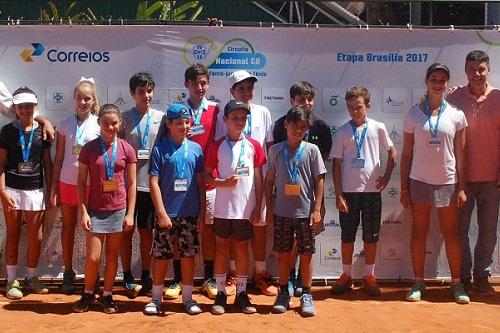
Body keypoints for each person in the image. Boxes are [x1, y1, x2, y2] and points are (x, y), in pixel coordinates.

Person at [400, 63, 470, 304]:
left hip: (448, 181)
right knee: (419, 232)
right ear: (427, 81)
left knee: (451, 233)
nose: (438, 82)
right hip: (418, 180)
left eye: (442, 79)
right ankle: (418, 282)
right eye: (434, 78)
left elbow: (461, 154)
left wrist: (462, 187)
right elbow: (406, 154)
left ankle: (457, 284)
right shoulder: (413, 114)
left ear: (447, 83)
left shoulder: (457, 115)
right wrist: (403, 187)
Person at [215, 70, 277, 297]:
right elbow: (220, 147)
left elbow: (269, 146)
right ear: (232, 91)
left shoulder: (263, 112)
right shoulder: (223, 114)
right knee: (233, 231)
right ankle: (232, 273)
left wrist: (271, 176)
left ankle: (260, 273)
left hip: (258, 181)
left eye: (249, 88)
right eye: (241, 88)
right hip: (232, 186)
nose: (247, 92)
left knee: (258, 227)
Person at [330, 87, 397, 297]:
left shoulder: (378, 127)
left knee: (371, 235)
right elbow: (336, 165)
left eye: (358, 107)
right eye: (350, 107)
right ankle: (346, 275)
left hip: (371, 192)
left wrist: (386, 177)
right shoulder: (341, 131)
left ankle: (369, 276)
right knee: (347, 235)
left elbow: (393, 152)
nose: (354, 111)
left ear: (367, 106)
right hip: (349, 193)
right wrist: (339, 194)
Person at [73, 104, 137, 314]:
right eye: (106, 123)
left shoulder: (127, 149)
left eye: (114, 123)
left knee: (112, 256)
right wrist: (83, 211)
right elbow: (81, 182)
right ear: (99, 123)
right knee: (93, 257)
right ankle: (89, 292)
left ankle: (107, 295)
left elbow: (132, 184)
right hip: (95, 210)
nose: (110, 127)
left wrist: (129, 213)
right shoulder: (89, 149)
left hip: (118, 210)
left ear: (120, 123)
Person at [143, 103, 205, 316]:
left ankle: (188, 298)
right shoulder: (160, 149)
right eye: (178, 122)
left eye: (187, 122)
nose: (184, 126)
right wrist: (161, 213)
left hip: (189, 213)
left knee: (188, 256)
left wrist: (202, 212)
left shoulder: (196, 149)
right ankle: (155, 299)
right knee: (161, 256)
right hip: (166, 215)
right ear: (168, 124)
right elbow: (153, 183)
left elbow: (200, 183)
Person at [447, 50, 500, 295]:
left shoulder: (499, 97)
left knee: (488, 232)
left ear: (488, 70)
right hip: (461, 180)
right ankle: (464, 277)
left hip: (493, 179)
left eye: (481, 69)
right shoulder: (454, 97)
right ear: (466, 71)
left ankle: (482, 275)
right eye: (471, 69)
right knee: (460, 231)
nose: (476, 74)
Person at [164, 64, 219, 301]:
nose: (200, 87)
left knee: (207, 230)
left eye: (204, 83)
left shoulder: (216, 110)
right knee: (177, 231)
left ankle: (208, 277)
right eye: (195, 83)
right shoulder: (178, 110)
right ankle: (176, 279)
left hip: (207, 180)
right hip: (181, 181)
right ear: (186, 85)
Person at [206, 100, 266, 315]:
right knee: (221, 249)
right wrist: (221, 183)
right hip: (222, 209)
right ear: (225, 120)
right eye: (235, 118)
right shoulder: (216, 146)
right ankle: (221, 293)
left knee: (242, 250)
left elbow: (259, 179)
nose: (239, 121)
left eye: (243, 118)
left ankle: (241, 293)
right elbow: (205, 175)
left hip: (245, 209)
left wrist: (258, 207)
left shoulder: (254, 145)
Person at [266, 105, 326, 317]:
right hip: (281, 212)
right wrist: (269, 209)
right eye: (294, 126)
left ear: (307, 128)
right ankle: (283, 292)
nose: (297, 131)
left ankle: (307, 295)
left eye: (302, 127)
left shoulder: (312, 150)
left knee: (306, 254)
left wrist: (317, 209)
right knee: (283, 254)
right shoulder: (275, 151)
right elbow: (269, 180)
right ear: (286, 125)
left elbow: (319, 181)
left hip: (305, 213)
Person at [273, 81, 332, 296]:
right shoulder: (281, 124)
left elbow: (320, 166)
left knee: (305, 239)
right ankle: (288, 276)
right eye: (301, 99)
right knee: (287, 241)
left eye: (309, 99)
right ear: (292, 101)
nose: (306, 103)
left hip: (310, 194)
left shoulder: (321, 126)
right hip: (285, 197)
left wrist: (317, 204)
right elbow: (280, 160)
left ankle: (301, 278)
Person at [0, 87, 52, 300]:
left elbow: (47, 163)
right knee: (13, 234)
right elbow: (1, 163)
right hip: (11, 188)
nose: (25, 110)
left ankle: (31, 278)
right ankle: (11, 280)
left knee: (36, 237)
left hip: (36, 188)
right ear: (15, 108)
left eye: (29, 106)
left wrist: (52, 189)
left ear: (35, 106)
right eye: (21, 106)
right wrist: (2, 191)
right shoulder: (7, 131)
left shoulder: (44, 130)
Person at [50, 77, 100, 294]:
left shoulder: (100, 124)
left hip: (91, 186)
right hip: (67, 183)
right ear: (73, 100)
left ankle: (93, 272)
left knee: (93, 231)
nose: (83, 102)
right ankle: (68, 272)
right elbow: (59, 158)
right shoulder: (64, 125)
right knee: (68, 228)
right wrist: (53, 187)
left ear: (93, 100)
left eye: (87, 98)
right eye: (79, 98)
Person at [119, 72, 165, 298]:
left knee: (147, 232)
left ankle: (146, 276)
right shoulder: (124, 118)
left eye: (149, 91)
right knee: (126, 232)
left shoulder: (162, 118)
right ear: (132, 93)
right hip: (127, 186)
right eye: (140, 92)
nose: (146, 95)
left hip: (150, 185)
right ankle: (127, 276)